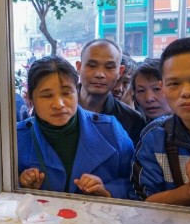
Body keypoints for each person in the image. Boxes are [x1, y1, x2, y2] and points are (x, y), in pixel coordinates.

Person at [17, 55, 134, 199]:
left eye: (66, 93)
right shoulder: (17, 137)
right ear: (30, 99)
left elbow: (136, 182)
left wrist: (108, 191)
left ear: (77, 91)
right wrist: (21, 183)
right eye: (47, 96)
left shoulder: (110, 130)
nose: (59, 104)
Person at [131, 38, 190, 208]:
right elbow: (142, 204)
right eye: (174, 83)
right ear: (163, 88)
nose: (186, 92)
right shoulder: (156, 137)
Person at [77, 39, 146, 146]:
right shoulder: (59, 108)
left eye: (109, 67)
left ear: (120, 72)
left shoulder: (132, 120)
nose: (100, 74)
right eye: (92, 65)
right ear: (79, 67)